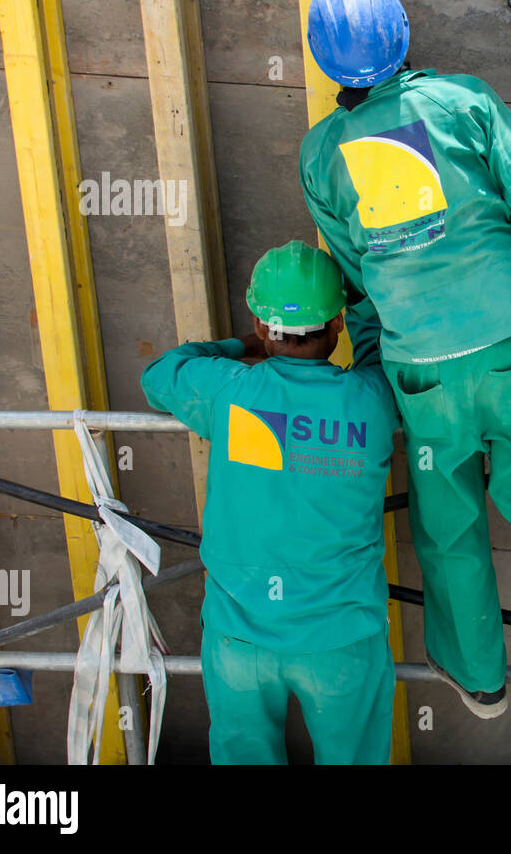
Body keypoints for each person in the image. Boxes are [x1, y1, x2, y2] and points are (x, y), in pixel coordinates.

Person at [297, 0, 511, 721]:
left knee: (449, 528)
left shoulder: (322, 155)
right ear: (403, 34)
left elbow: (357, 282)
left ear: (322, 59)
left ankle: (478, 678)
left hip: (421, 370)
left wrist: (385, 362)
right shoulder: (463, 100)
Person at [141, 241, 400, 762]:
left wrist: (245, 346)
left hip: (240, 640)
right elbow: (382, 349)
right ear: (337, 325)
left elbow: (161, 373)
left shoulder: (229, 390)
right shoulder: (374, 399)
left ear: (261, 325)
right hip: (341, 639)